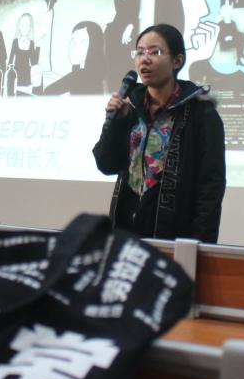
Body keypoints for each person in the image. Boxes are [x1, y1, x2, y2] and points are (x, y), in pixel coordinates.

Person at [93, 23, 226, 242]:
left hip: (174, 239)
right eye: (140, 52)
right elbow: (106, 164)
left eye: (155, 52)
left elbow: (210, 187)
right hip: (125, 236)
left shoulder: (201, 114)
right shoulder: (130, 109)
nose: (144, 59)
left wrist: (199, 246)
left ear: (177, 61)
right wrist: (117, 123)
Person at [43, 21, 107, 95]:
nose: (74, 47)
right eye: (73, 40)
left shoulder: (85, 76)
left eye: (82, 42)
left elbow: (49, 91)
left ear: (94, 45)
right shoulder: (85, 75)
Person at [9, 12, 40, 88]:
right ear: (19, 26)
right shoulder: (15, 42)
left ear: (30, 27)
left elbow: (34, 63)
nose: (25, 27)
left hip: (27, 77)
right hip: (16, 75)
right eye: (23, 25)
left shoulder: (31, 43)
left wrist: (38, 46)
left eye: (27, 25)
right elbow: (10, 61)